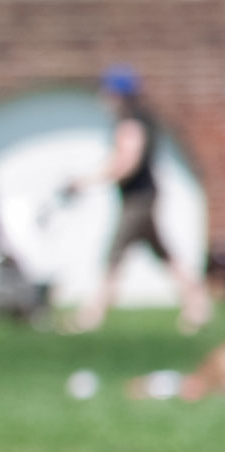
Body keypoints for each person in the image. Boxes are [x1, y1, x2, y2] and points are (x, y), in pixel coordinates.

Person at [68, 67, 209, 334]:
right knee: (166, 255)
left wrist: (89, 180)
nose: (103, 96)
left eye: (107, 90)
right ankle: (197, 305)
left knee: (115, 253)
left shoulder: (131, 123)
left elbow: (127, 163)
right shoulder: (137, 120)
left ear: (118, 93)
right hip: (141, 197)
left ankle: (92, 315)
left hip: (139, 199)